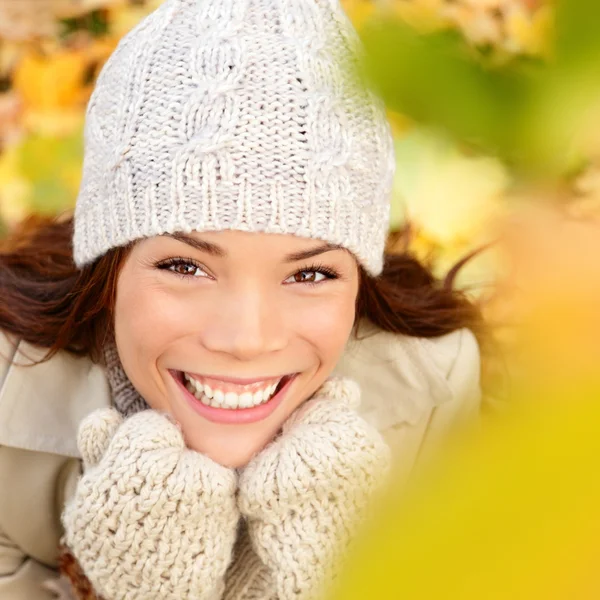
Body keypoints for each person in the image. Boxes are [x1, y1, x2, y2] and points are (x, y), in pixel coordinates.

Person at [0, 0, 482, 598]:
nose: (247, 338)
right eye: (185, 265)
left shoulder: (436, 383)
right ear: (110, 267)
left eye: (309, 275)